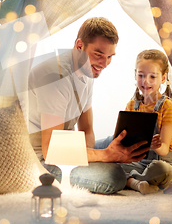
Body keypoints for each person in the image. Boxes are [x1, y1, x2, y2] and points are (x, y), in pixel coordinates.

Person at [28, 17, 148, 194]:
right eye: (99, 55)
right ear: (79, 46)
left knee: (123, 142)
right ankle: (129, 176)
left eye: (109, 57)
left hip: (69, 147)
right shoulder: (55, 77)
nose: (104, 64)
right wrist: (106, 156)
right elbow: (50, 150)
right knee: (113, 177)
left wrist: (103, 154)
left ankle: (133, 171)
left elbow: (87, 130)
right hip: (44, 158)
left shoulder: (87, 70)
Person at [121, 49, 172, 194]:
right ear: (135, 74)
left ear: (162, 78)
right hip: (139, 161)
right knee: (113, 166)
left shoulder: (167, 106)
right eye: (141, 75)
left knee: (160, 169)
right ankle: (139, 183)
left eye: (152, 77)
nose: (145, 81)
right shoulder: (131, 105)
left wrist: (157, 145)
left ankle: (135, 181)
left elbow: (164, 149)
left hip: (165, 160)